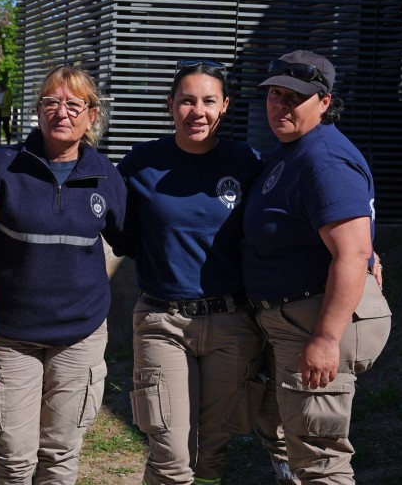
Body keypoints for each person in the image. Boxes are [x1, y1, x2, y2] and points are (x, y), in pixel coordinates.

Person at [0, 66, 127, 484]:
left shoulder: (106, 176)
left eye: (74, 105)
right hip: (11, 335)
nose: (62, 112)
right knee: (13, 455)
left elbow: (128, 237)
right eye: (51, 102)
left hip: (80, 335)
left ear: (91, 116)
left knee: (60, 452)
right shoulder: (2, 168)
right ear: (38, 111)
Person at [242, 50, 392, 482]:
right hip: (293, 317)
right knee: (283, 432)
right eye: (275, 94)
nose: (280, 105)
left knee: (320, 459)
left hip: (318, 319)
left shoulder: (323, 159)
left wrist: (326, 338)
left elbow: (351, 252)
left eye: (295, 97)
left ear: (324, 103)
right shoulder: (294, 149)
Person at [116, 59, 265, 485]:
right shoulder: (142, 162)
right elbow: (101, 212)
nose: (197, 111)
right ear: (170, 105)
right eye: (186, 101)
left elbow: (286, 215)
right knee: (170, 453)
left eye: (208, 101)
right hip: (163, 322)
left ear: (225, 106)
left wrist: (362, 248)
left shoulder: (246, 162)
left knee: (212, 452)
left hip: (231, 324)